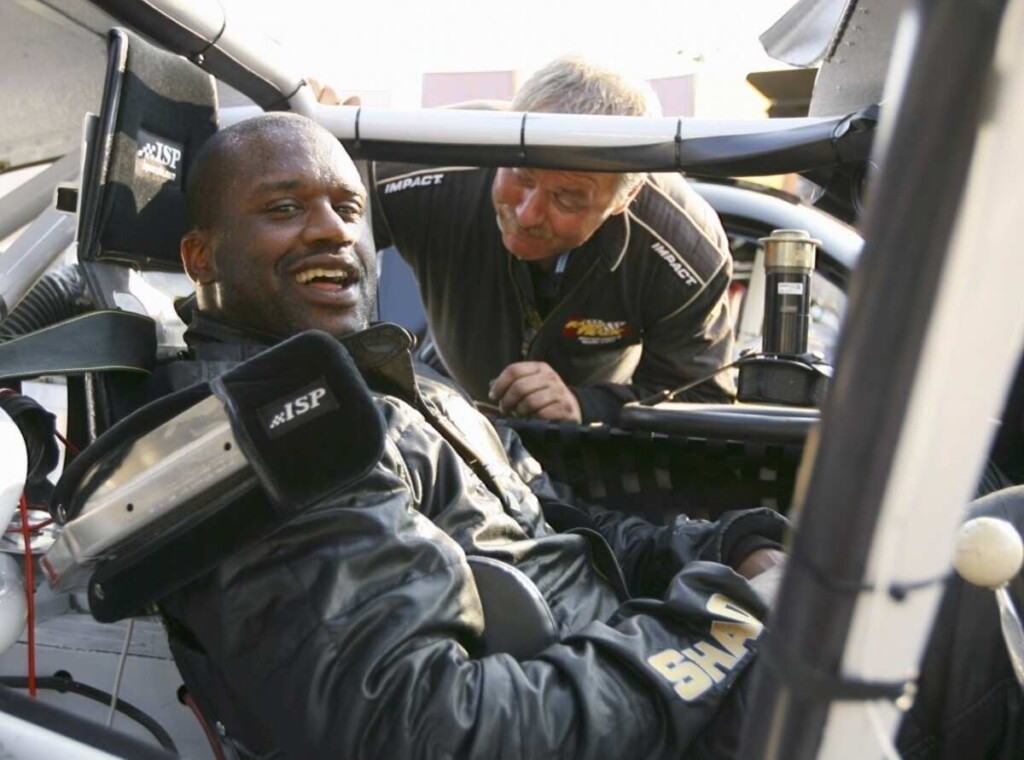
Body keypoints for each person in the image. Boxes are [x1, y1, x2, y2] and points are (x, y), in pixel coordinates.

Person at [138, 113, 1022, 760]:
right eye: (285, 207)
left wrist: (736, 547)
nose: (333, 227)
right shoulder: (275, 437)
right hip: (677, 720)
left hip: (659, 681)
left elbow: (565, 525)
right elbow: (418, 734)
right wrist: (727, 621)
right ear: (202, 257)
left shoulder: (392, 383)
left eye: (347, 206)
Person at [368, 56, 736, 424]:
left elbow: (701, 398)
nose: (528, 214)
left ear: (626, 197)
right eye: (521, 176)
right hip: (447, 404)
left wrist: (587, 406)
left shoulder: (686, 249)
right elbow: (319, 239)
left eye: (567, 197)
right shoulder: (423, 163)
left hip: (588, 441)